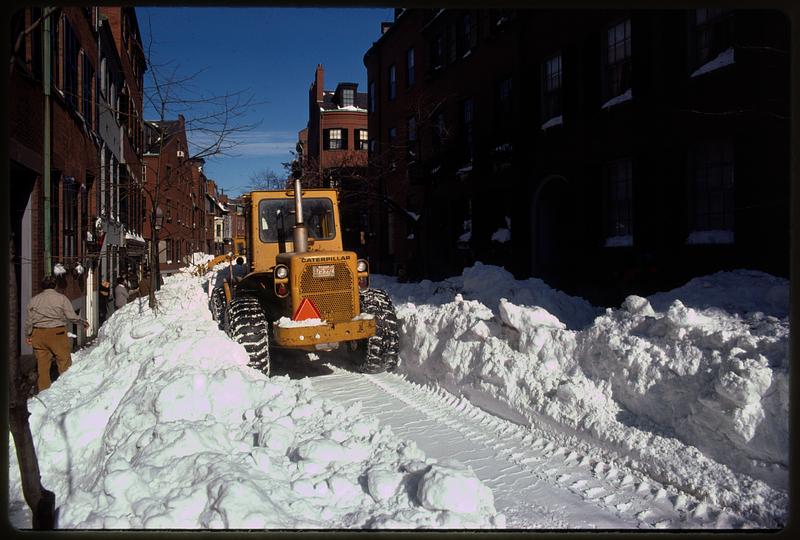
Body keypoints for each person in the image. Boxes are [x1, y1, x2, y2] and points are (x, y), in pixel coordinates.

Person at [25, 275, 89, 392]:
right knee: (64, 361)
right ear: (55, 285)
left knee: (42, 366)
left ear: (42, 286)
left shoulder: (34, 300)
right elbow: (71, 316)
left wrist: (28, 335)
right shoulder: (61, 298)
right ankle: (65, 390)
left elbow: (29, 320)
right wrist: (82, 322)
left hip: (38, 334)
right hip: (56, 333)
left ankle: (43, 391)